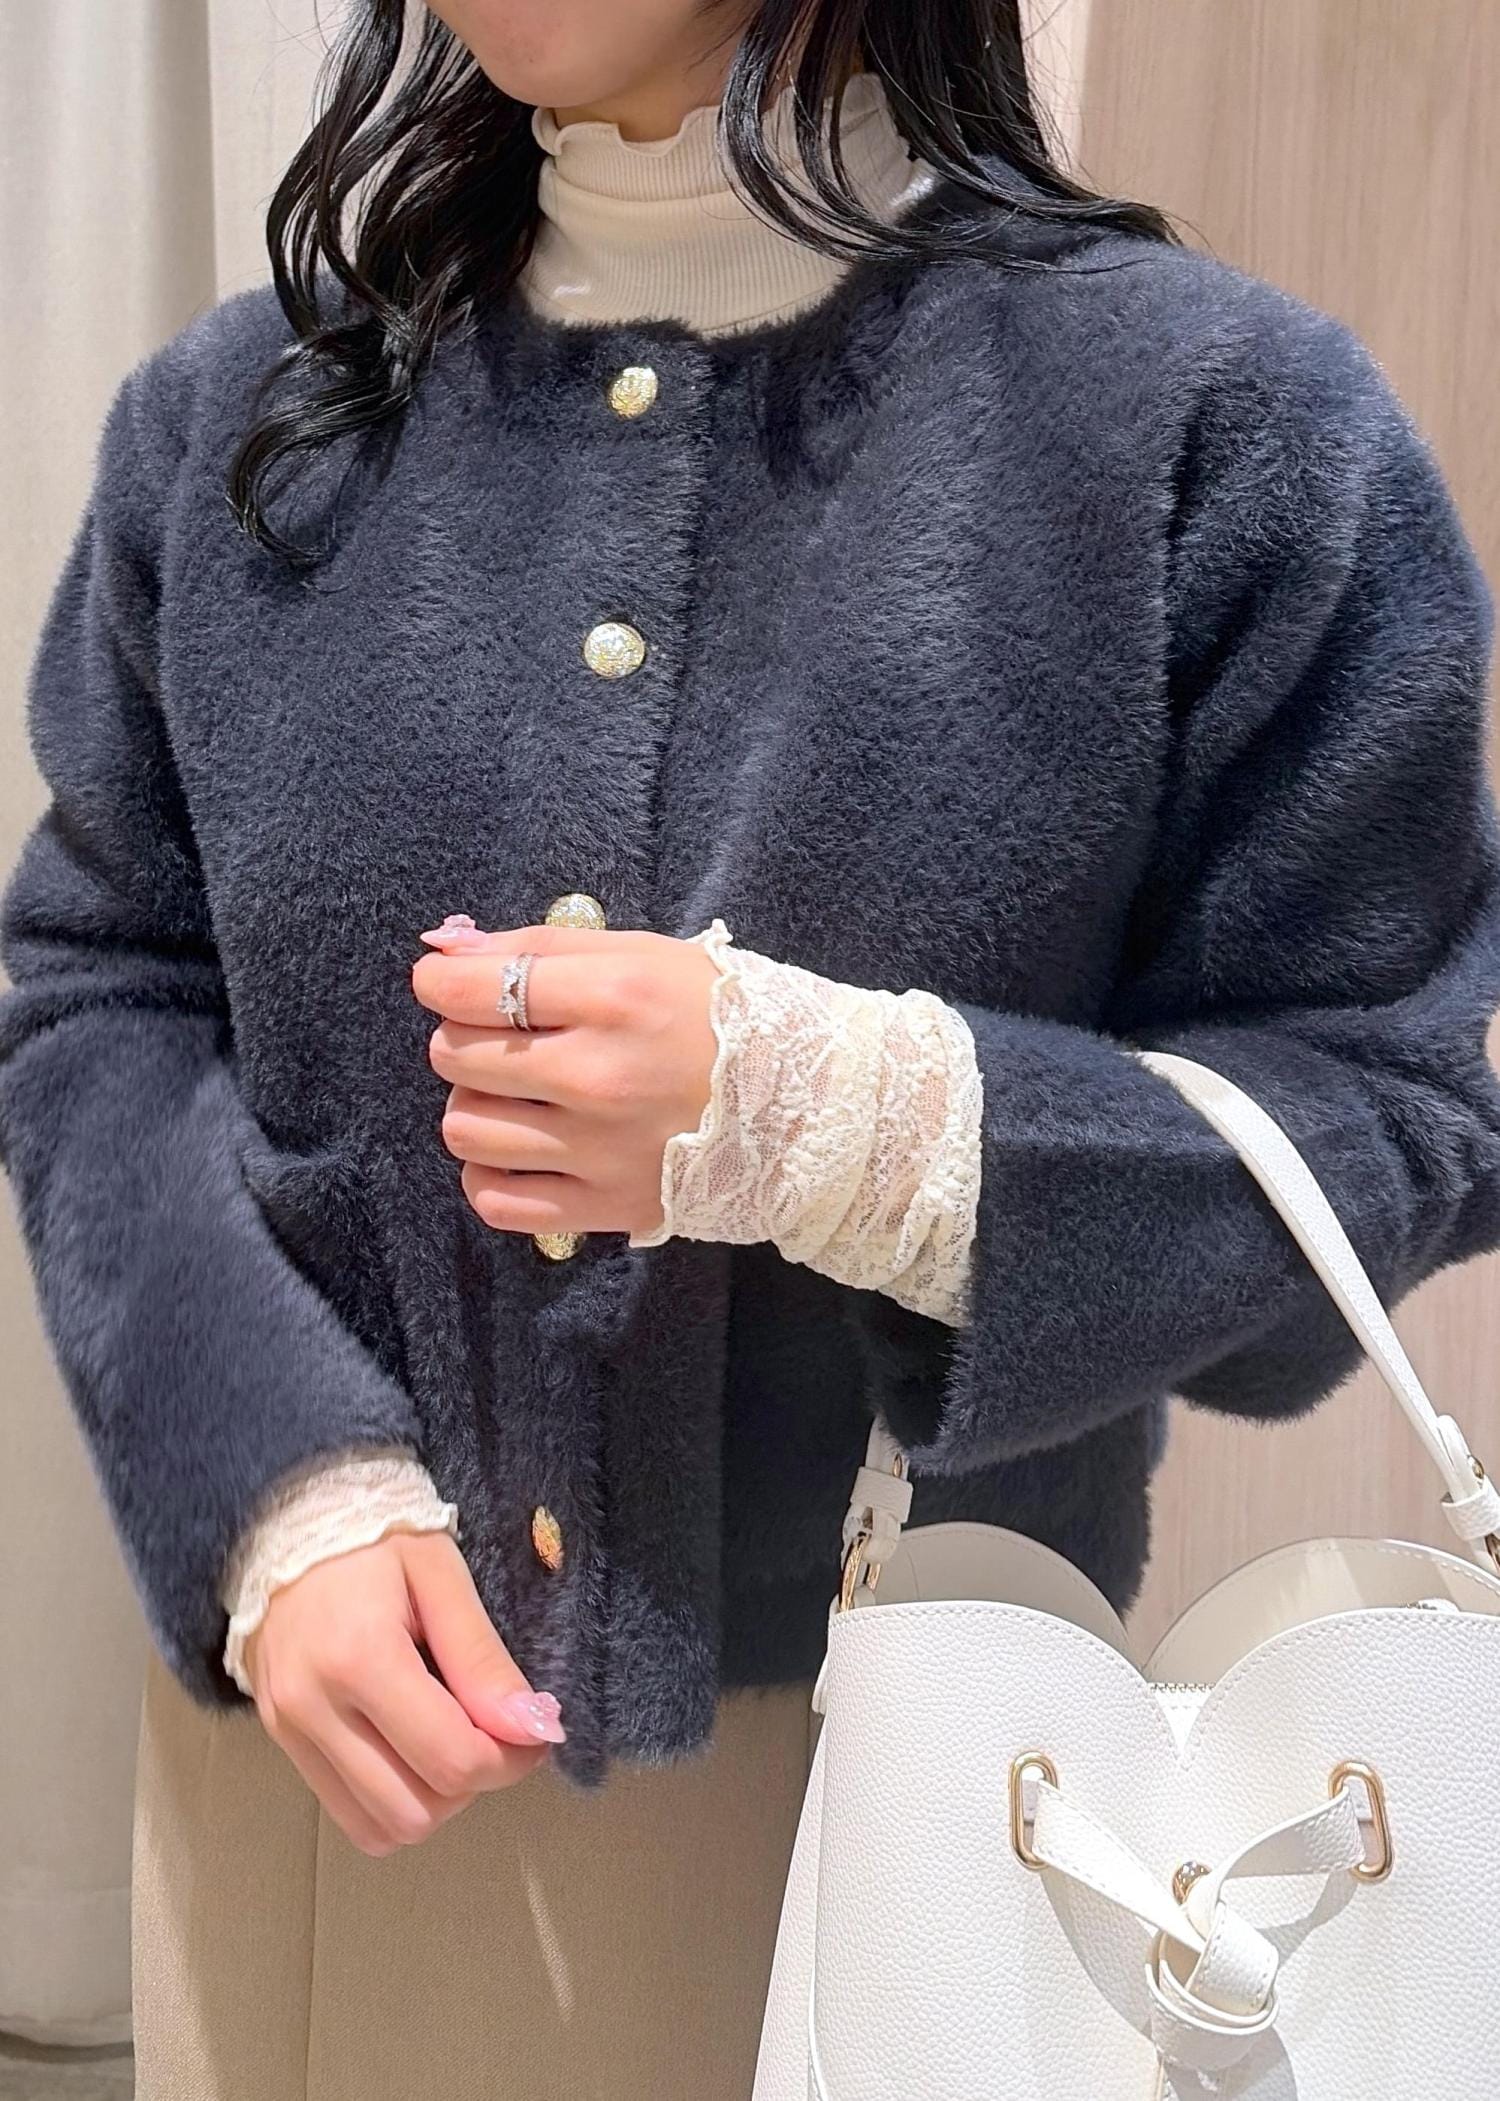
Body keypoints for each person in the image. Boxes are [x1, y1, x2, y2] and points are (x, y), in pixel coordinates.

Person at [4, 1, 1500, 2094]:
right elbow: (99, 988)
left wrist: (859, 1128)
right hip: (314, 1786)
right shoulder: (240, 420)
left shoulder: (1214, 430)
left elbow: (1394, 1112)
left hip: (927, 1821)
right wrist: (278, 1486)